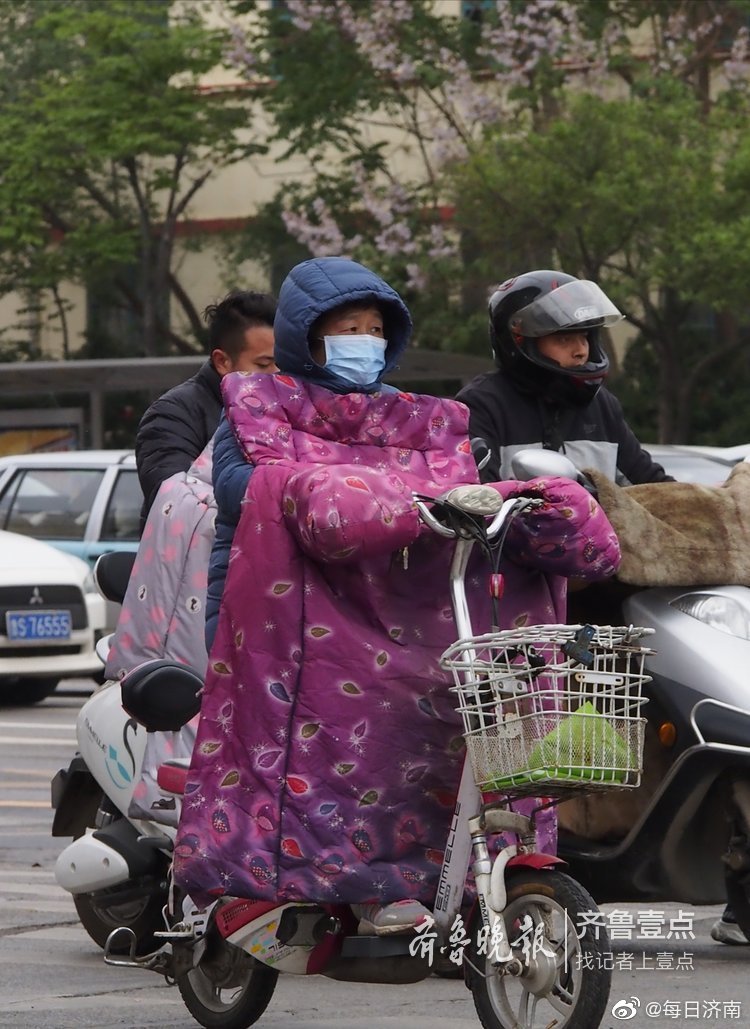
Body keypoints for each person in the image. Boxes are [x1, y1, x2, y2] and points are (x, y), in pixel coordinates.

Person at [173, 256, 620, 937]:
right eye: (347, 326)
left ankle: (421, 877)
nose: (364, 339)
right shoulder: (256, 410)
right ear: (308, 337)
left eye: (375, 326)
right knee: (312, 737)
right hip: (280, 611)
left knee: (435, 716)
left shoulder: (417, 420)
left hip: (395, 616)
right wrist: (340, 492)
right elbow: (250, 487)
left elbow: (456, 495)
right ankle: (297, 881)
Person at [456, 270, 672, 486]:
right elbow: (475, 498)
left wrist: (697, 506)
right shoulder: (482, 405)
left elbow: (655, 487)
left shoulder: (602, 406)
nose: (580, 351)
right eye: (564, 339)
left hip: (601, 521)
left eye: (585, 337)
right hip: (514, 520)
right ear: (521, 341)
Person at [135, 289, 277, 527]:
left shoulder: (294, 409)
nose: (277, 375)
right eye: (264, 364)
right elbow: (176, 505)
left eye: (284, 363)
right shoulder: (172, 416)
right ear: (222, 361)